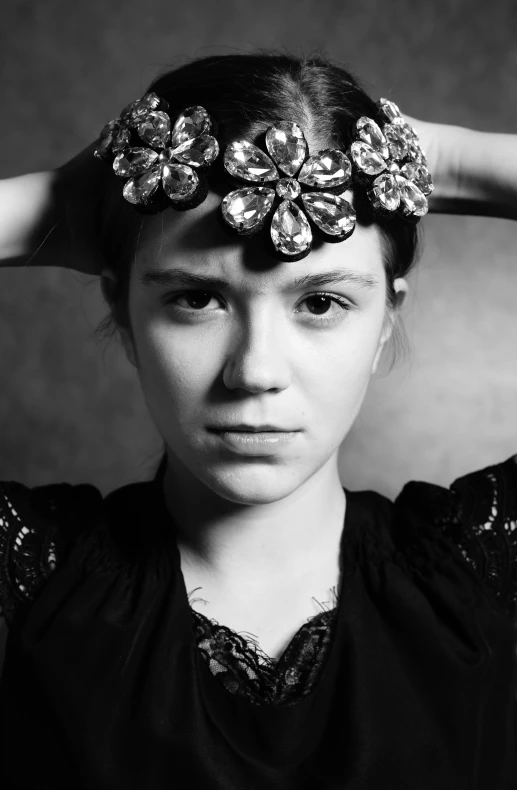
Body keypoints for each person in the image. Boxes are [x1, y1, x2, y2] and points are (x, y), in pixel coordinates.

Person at [0, 51, 515, 788]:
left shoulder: (479, 577)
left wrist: (443, 157)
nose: (255, 372)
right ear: (122, 306)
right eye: (196, 298)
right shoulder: (32, 583)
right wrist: (52, 203)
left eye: (319, 303)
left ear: (383, 321)